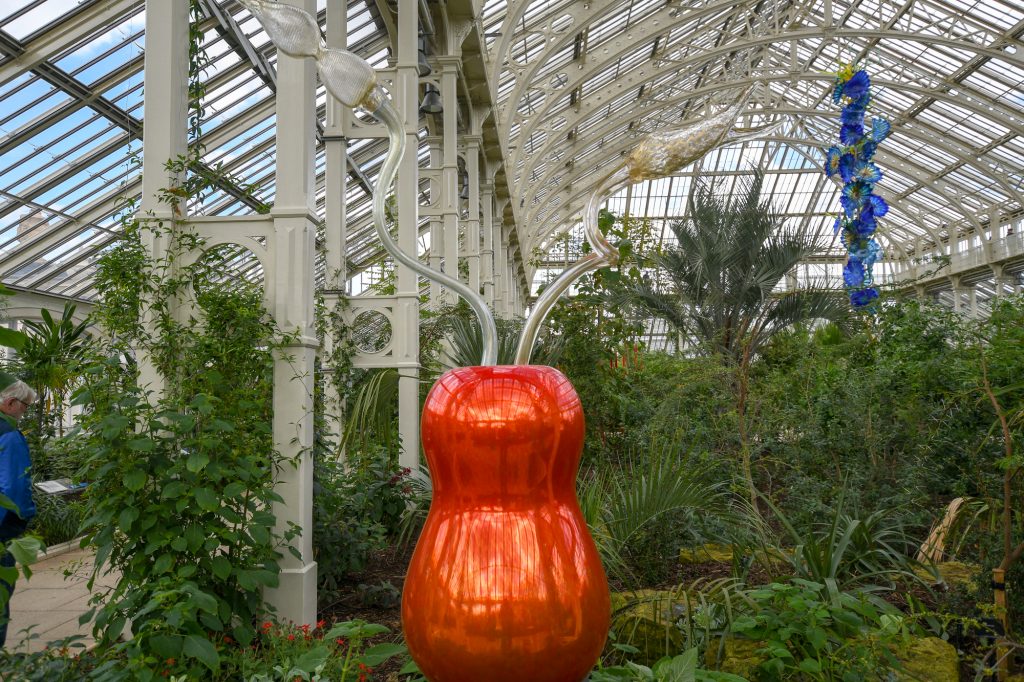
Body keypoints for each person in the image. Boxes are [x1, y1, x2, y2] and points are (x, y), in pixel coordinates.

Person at [0, 377, 37, 648]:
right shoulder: (8, 435)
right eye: (24, 407)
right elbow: (13, 486)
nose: (24, 412)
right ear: (10, 403)